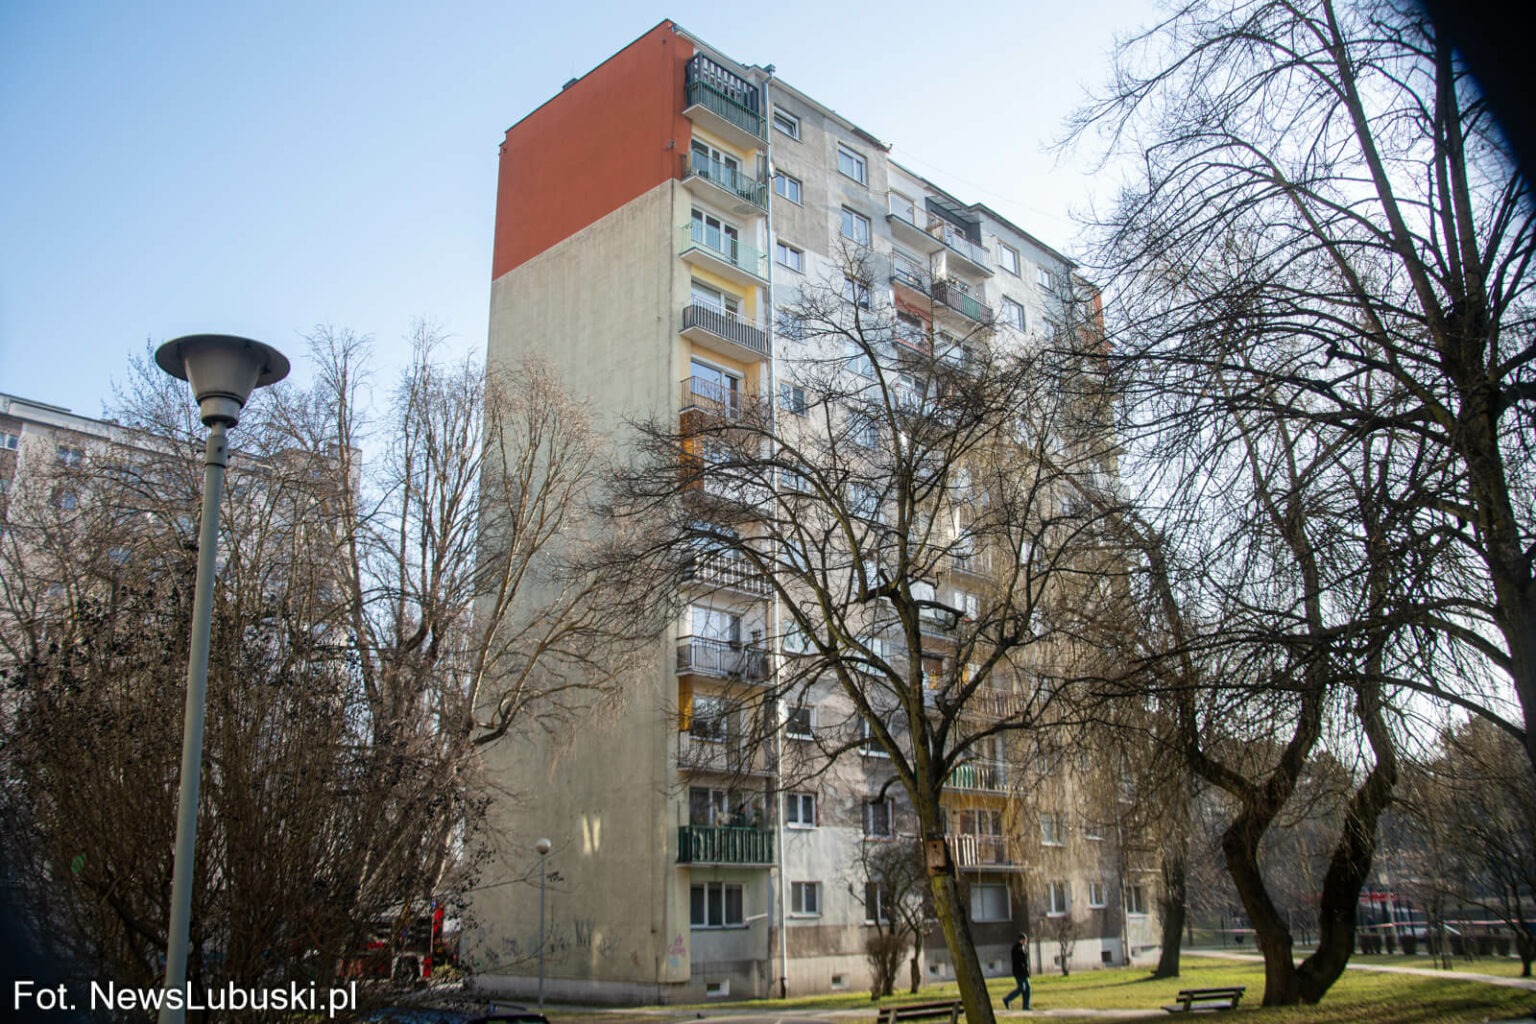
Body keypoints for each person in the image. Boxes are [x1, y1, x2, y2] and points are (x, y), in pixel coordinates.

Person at [1002, 932, 1031, 1011]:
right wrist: (1024, 970)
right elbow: (1019, 961)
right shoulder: (1017, 948)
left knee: (1027, 988)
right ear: (1022, 940)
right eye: (1025, 939)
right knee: (1022, 988)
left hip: (1023, 972)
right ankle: (1007, 999)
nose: (1026, 941)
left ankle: (1026, 1006)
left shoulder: (1022, 947)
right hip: (1019, 972)